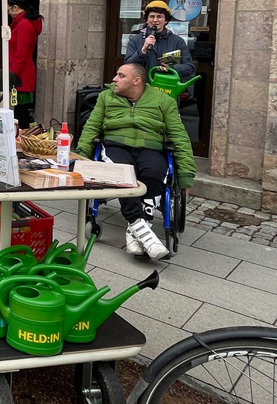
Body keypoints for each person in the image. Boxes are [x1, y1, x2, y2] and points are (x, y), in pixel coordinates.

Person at [76, 62, 195, 261]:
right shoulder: (106, 97)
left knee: (156, 171)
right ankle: (144, 232)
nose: (114, 79)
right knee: (124, 174)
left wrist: (185, 175)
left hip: (151, 147)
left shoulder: (163, 101)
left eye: (121, 75)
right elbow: (92, 127)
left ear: (136, 81)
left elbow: (179, 136)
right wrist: (81, 157)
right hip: (116, 145)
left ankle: (136, 232)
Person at [125, 0, 195, 80]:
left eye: (159, 16)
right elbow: (128, 66)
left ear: (166, 20)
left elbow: (189, 67)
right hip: (141, 87)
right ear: (147, 20)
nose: (155, 20)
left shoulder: (177, 41)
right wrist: (143, 51)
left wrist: (172, 68)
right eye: (152, 16)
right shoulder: (135, 40)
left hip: (165, 86)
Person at [8, 0, 38, 127]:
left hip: (21, 75)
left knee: (20, 112)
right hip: (19, 73)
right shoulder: (21, 24)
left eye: (9, 9)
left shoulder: (24, 26)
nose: (8, 13)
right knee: (18, 112)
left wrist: (11, 76)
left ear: (15, 8)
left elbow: (21, 55)